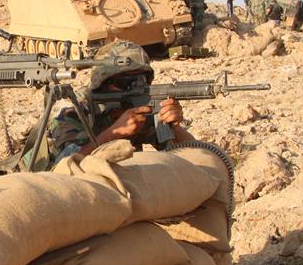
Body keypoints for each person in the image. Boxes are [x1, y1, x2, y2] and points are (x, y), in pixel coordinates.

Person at [25, 41, 194, 169]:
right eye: (125, 81)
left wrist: (175, 129)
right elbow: (65, 165)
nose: (135, 87)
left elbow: (189, 155)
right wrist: (115, 132)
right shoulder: (76, 107)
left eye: (141, 80)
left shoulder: (141, 109)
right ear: (103, 83)